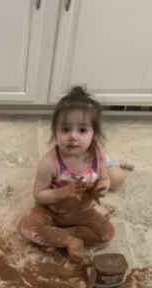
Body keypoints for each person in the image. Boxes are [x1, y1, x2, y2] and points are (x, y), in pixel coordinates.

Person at [18, 86, 127, 262]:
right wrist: (62, 192)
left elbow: (105, 179)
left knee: (106, 233)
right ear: (55, 132)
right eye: (65, 129)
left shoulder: (97, 155)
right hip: (51, 212)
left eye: (82, 130)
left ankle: (62, 236)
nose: (73, 136)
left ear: (95, 134)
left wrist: (101, 187)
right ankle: (69, 240)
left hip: (81, 212)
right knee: (27, 227)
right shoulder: (49, 162)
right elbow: (39, 195)